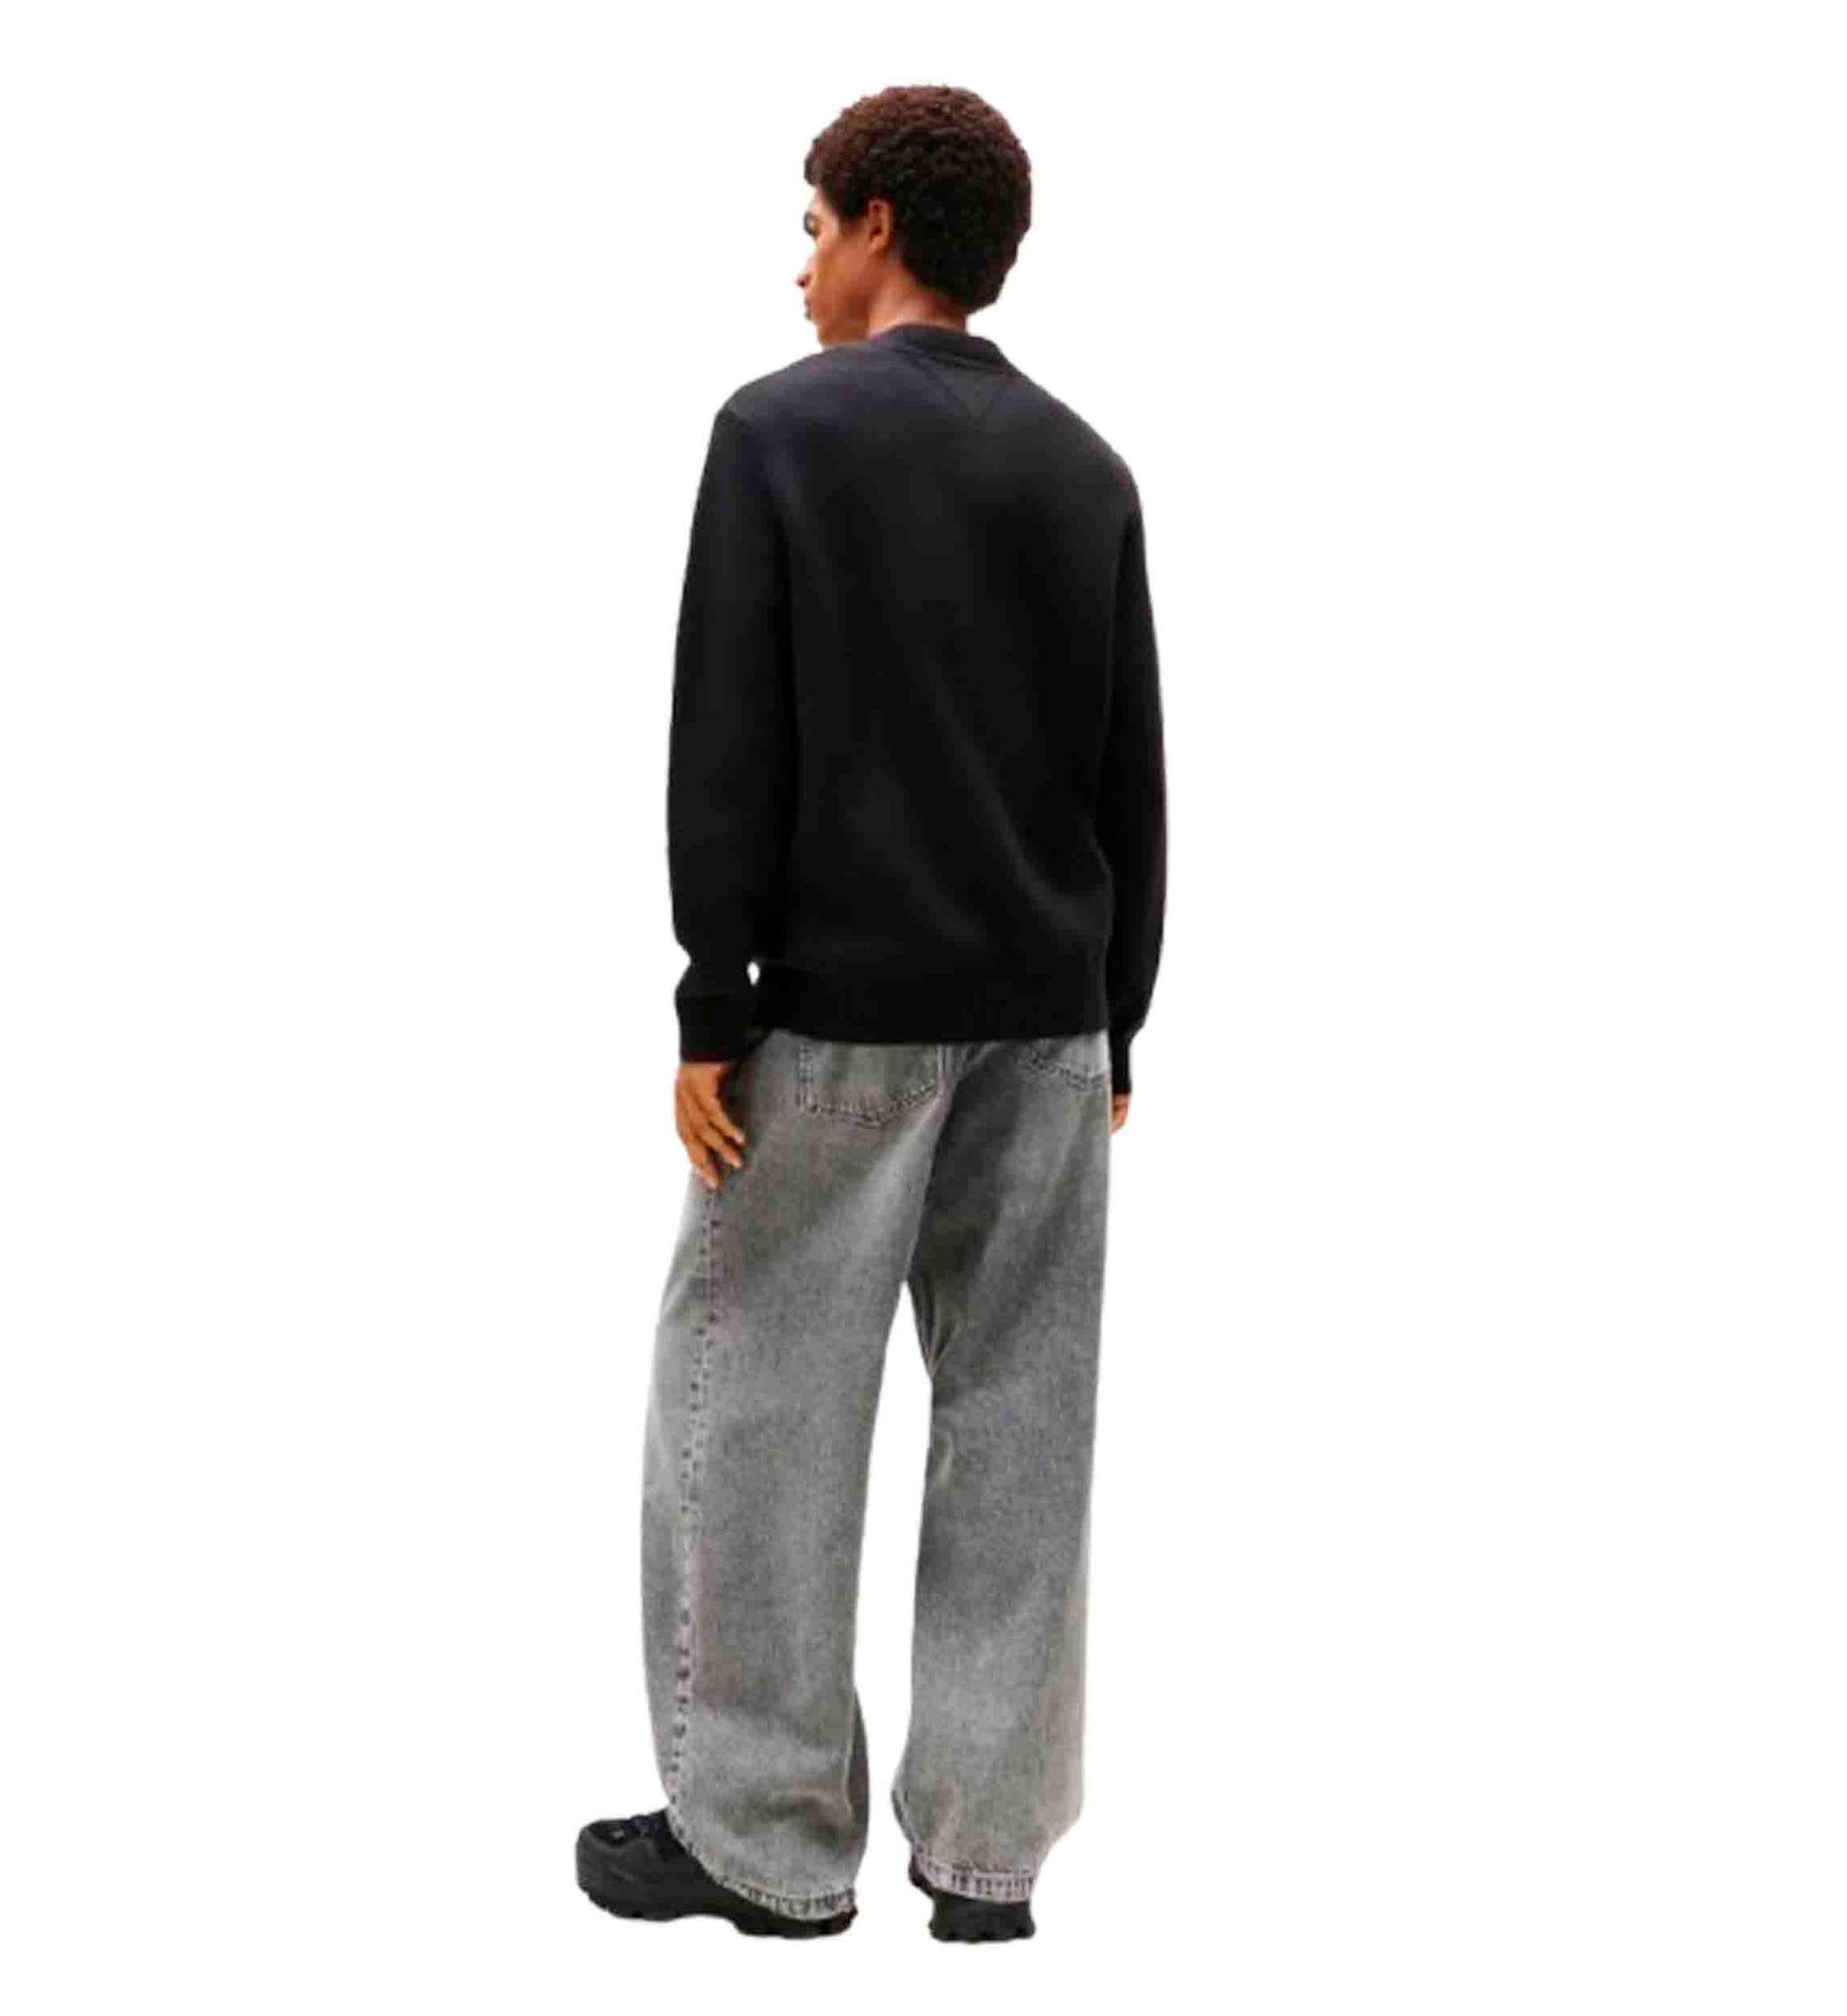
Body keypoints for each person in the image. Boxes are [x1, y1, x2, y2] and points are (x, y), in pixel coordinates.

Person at [576, 82, 1167, 1943]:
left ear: (880, 227)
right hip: (1048, 1031)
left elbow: (729, 737)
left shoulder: (779, 432)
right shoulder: (1086, 468)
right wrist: (1121, 1017)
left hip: (840, 1022)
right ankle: (986, 1862)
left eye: (814, 226)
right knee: (1023, 1430)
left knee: (759, 1410)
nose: (803, 267)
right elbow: (1128, 769)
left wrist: (712, 999)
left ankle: (762, 1844)